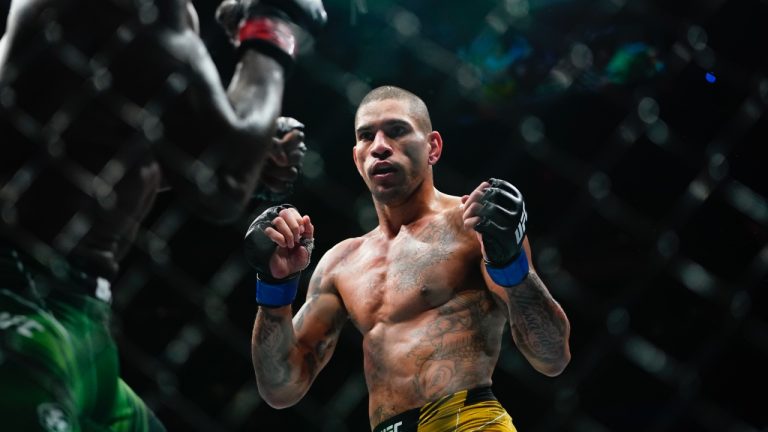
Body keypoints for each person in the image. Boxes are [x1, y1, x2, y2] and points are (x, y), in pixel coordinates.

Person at [0, 0, 325, 430]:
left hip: (80, 309)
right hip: (21, 296)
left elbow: (117, 156)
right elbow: (224, 184)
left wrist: (250, 159)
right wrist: (273, 26)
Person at [244, 85, 572, 431]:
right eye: (366, 136)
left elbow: (552, 358)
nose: (381, 147)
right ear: (357, 157)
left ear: (433, 147)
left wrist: (511, 265)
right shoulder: (340, 262)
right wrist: (274, 288)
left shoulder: (474, 225)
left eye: (397, 131)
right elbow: (280, 389)